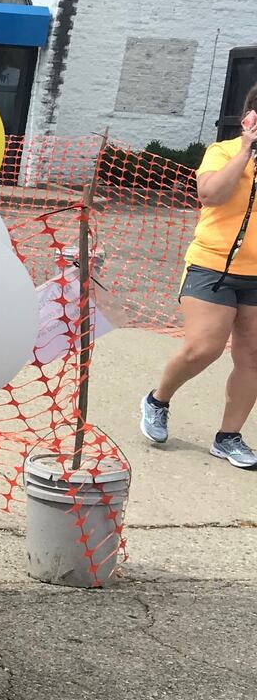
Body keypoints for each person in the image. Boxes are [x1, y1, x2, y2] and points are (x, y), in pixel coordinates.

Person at [140, 92, 257, 469]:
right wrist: (246, 153)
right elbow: (210, 195)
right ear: (248, 120)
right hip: (212, 266)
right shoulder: (222, 152)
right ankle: (157, 400)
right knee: (203, 348)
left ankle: (228, 437)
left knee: (252, 357)